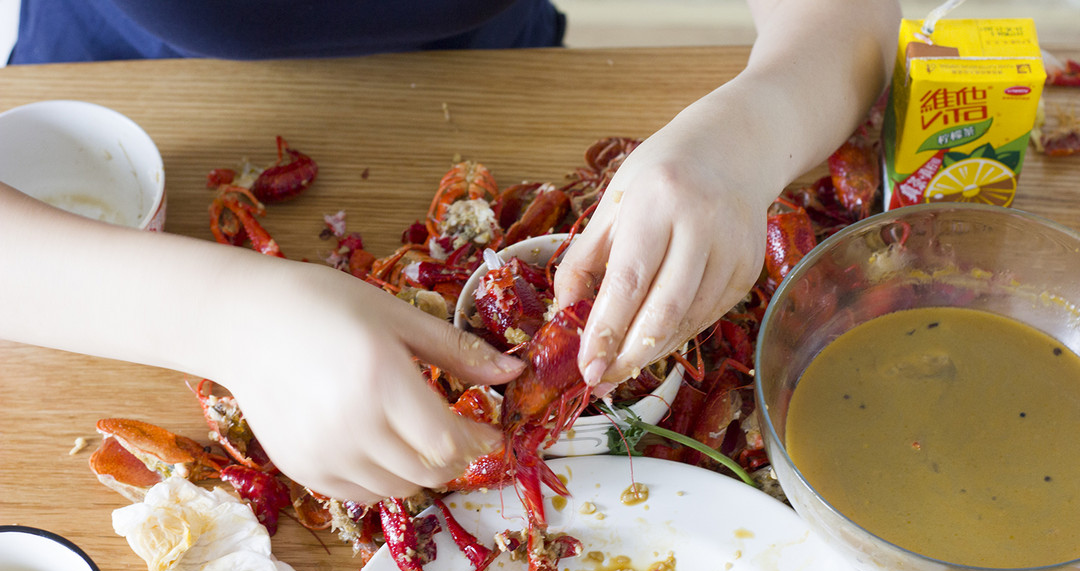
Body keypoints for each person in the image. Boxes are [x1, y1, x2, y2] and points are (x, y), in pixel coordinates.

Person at [0, 0, 901, 505]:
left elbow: (845, 16)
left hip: (499, 65)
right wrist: (223, 317)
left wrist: (748, 133)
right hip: (112, 107)